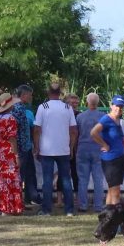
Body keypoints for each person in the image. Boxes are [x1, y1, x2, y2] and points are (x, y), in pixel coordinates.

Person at [34, 83, 77, 216]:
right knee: (65, 179)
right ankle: (69, 210)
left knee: (47, 180)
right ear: (60, 93)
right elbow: (74, 130)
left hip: (46, 150)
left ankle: (46, 209)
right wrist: (71, 147)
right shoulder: (67, 107)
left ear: (48, 92)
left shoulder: (43, 107)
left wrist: (36, 146)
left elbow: (36, 129)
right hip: (63, 149)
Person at [91, 95, 124, 205]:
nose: (119, 109)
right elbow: (93, 132)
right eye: (117, 106)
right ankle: (116, 217)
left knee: (112, 189)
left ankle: (108, 214)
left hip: (118, 158)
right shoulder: (106, 119)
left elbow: (122, 139)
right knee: (115, 192)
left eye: (121, 107)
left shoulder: (117, 120)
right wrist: (104, 144)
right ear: (111, 106)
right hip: (110, 160)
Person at [0, 93, 24, 216]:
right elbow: (12, 138)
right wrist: (17, 155)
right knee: (12, 178)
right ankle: (9, 208)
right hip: (8, 151)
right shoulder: (10, 119)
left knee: (1, 178)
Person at [75, 92, 106, 212]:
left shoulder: (80, 117)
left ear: (87, 102)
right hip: (98, 149)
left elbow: (76, 134)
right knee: (98, 178)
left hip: (82, 148)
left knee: (83, 179)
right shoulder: (103, 116)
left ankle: (82, 205)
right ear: (97, 102)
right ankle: (98, 205)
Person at [11, 84, 41, 206]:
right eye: (30, 95)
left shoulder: (23, 109)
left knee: (30, 173)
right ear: (23, 95)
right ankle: (18, 200)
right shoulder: (17, 109)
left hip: (26, 146)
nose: (31, 97)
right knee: (21, 175)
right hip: (21, 147)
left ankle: (31, 197)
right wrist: (16, 151)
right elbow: (15, 130)